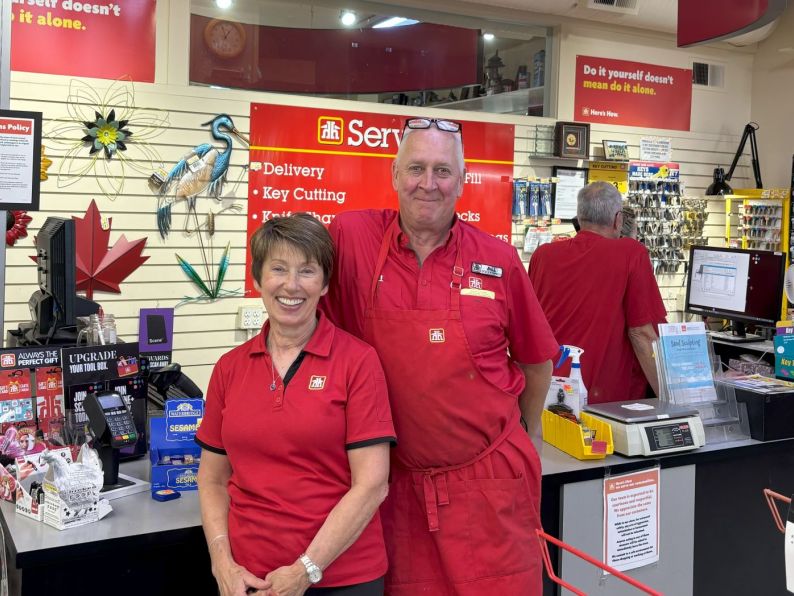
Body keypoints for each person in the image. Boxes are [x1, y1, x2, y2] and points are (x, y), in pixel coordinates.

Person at [321, 117, 558, 595]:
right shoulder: (351, 238)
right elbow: (297, 293)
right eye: (416, 169)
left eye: (442, 171)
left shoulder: (499, 259)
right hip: (392, 492)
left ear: (463, 181)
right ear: (393, 175)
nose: (428, 184)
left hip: (488, 489)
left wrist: (528, 433)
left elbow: (536, 362)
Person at [196, 213, 396, 596]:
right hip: (249, 581)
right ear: (257, 280)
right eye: (278, 269)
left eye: (307, 271)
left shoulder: (358, 362)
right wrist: (222, 563)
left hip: (340, 579)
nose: (291, 285)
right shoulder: (229, 368)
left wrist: (306, 570)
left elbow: (372, 485)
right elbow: (212, 478)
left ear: (324, 285)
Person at [528, 181, 667, 404]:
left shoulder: (542, 256)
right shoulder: (631, 254)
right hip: (603, 402)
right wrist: (671, 398)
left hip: (547, 391)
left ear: (580, 218)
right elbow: (641, 334)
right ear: (617, 220)